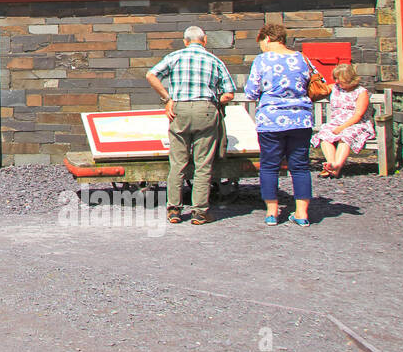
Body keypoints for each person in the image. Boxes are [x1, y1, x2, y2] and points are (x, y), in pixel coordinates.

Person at [146, 26, 237, 225]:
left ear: (185, 41)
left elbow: (151, 75)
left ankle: (174, 210)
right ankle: (199, 212)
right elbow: (229, 93)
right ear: (204, 40)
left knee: (178, 163)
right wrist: (215, 100)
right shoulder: (215, 60)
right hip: (206, 109)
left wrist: (167, 98)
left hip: (179, 109)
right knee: (203, 164)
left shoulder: (174, 57)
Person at [244, 23, 315, 226]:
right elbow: (314, 82)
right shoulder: (302, 58)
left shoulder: (261, 60)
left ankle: (272, 212)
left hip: (271, 120)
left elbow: (251, 92)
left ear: (266, 39)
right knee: (300, 166)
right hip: (300, 119)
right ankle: (302, 214)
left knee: (269, 166)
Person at [313, 63, 375, 177]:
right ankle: (331, 164)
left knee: (345, 136)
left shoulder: (361, 92)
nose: (337, 81)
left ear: (349, 79)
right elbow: (317, 91)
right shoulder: (334, 88)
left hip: (356, 124)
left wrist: (342, 127)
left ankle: (337, 166)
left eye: (339, 79)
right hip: (336, 123)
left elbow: (358, 115)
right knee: (324, 134)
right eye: (335, 78)